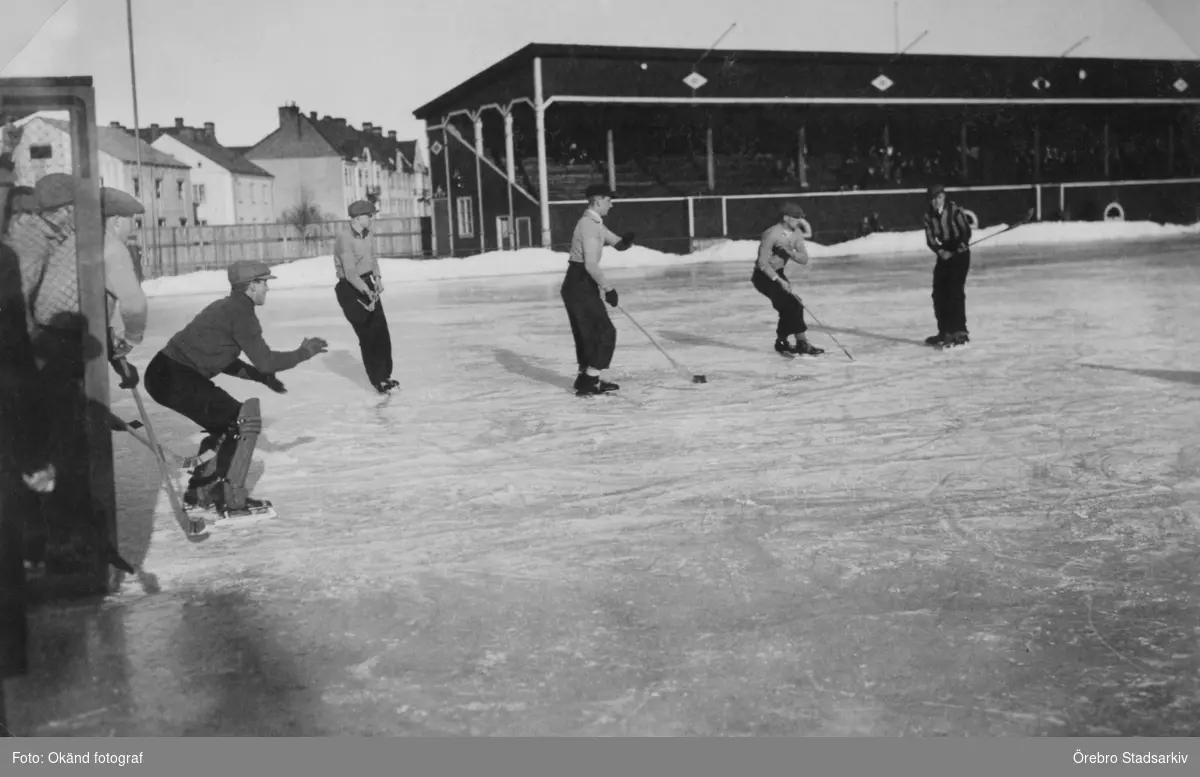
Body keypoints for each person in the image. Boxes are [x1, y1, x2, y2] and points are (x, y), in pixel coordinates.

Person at [142, 260, 328, 516]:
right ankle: (232, 498)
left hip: (162, 373)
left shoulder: (225, 307)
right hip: (176, 377)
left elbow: (224, 358)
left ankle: (201, 491)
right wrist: (302, 353)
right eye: (263, 283)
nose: (267, 289)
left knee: (225, 425)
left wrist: (263, 379)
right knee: (244, 419)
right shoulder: (242, 315)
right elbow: (265, 361)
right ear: (251, 286)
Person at [561, 184, 634, 396]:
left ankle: (585, 378)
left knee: (589, 331)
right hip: (579, 282)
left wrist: (626, 242)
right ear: (598, 201)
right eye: (609, 200)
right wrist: (609, 288)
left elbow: (616, 242)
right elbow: (591, 265)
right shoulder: (588, 226)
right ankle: (590, 381)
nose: (612, 205)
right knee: (604, 331)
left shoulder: (595, 224)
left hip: (581, 283)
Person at [333, 199, 397, 394]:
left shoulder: (368, 234)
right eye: (369, 215)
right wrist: (365, 290)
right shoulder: (344, 238)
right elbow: (350, 273)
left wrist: (377, 278)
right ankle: (378, 380)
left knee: (381, 332)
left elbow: (373, 258)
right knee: (368, 335)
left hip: (367, 283)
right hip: (350, 289)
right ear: (358, 217)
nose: (371, 218)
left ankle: (386, 375)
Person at [751, 201, 824, 356]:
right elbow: (762, 263)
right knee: (791, 305)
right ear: (786, 218)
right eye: (796, 217)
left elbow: (804, 259)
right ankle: (796, 342)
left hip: (779, 272)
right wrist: (779, 280)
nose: (799, 221)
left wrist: (790, 253)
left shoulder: (797, 234)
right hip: (763, 276)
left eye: (800, 217)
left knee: (793, 305)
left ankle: (789, 342)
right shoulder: (771, 234)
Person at [922, 184, 973, 348]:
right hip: (944, 251)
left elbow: (965, 230)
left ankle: (960, 331)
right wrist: (940, 251)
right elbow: (930, 239)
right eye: (934, 199)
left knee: (955, 290)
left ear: (944, 197)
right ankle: (944, 331)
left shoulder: (954, 210)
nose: (937, 201)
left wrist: (962, 244)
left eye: (940, 197)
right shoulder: (928, 216)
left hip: (960, 251)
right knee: (938, 292)